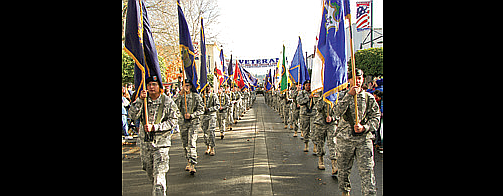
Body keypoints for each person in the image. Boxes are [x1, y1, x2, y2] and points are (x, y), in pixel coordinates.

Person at [128, 76, 179, 196]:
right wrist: (140, 100)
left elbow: (173, 121)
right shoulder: (143, 101)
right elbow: (132, 115)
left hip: (161, 144)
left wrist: (155, 127)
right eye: (149, 84)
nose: (151, 87)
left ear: (159, 87)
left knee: (159, 174)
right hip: (145, 144)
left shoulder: (167, 101)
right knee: (150, 171)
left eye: (154, 84)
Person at [333, 69, 381, 196]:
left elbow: (376, 117)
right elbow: (336, 113)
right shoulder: (342, 96)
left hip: (363, 140)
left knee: (367, 171)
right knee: (343, 171)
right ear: (349, 80)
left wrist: (365, 127)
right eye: (354, 78)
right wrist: (349, 95)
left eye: (360, 79)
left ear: (363, 79)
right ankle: (345, 191)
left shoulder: (368, 97)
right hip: (345, 139)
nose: (357, 81)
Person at [174, 79, 204, 175]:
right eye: (184, 85)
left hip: (193, 123)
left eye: (187, 85)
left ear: (191, 86)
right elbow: (174, 106)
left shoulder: (196, 96)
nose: (185, 87)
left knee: (191, 142)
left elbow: (201, 109)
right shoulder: (180, 96)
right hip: (183, 123)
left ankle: (192, 164)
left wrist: (192, 115)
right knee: (185, 143)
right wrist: (180, 94)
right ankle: (188, 160)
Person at [201, 87, 220, 156]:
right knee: (205, 132)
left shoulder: (214, 96)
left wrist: (209, 109)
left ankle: (212, 147)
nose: (207, 90)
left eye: (208, 89)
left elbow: (217, 106)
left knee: (211, 131)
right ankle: (207, 146)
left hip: (211, 115)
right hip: (204, 116)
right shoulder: (202, 96)